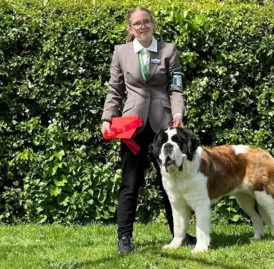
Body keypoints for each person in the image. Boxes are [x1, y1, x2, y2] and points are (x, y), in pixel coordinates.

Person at [100, 7, 196, 254]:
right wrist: (107, 117)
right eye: (137, 24)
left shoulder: (168, 50)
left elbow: (176, 87)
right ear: (130, 29)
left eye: (146, 22)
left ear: (152, 24)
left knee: (171, 184)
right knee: (130, 183)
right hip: (132, 127)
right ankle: (124, 239)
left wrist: (177, 113)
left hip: (163, 129)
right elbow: (115, 89)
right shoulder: (120, 52)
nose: (142, 26)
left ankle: (180, 235)